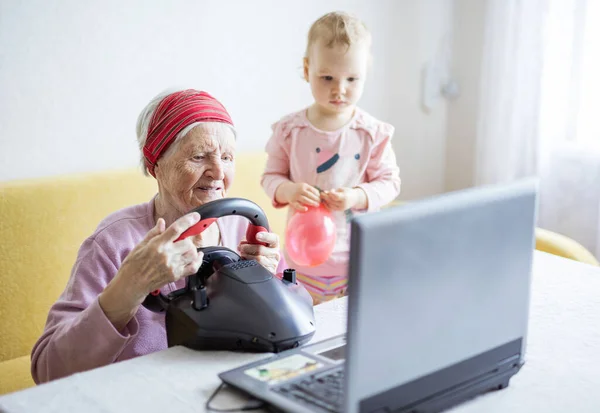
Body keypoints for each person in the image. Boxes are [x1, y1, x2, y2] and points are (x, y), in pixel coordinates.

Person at [31, 89, 297, 383]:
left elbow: (296, 324)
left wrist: (269, 285)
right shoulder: (114, 243)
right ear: (154, 165)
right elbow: (47, 370)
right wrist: (131, 285)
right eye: (199, 156)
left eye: (227, 157)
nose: (218, 172)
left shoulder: (243, 227)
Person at [261, 11, 401, 304]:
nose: (340, 89)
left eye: (352, 78)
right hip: (303, 263)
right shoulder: (290, 131)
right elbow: (270, 177)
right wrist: (289, 190)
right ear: (306, 69)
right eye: (327, 77)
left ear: (366, 72)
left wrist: (357, 196)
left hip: (359, 262)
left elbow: (390, 183)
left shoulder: (372, 133)